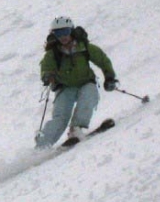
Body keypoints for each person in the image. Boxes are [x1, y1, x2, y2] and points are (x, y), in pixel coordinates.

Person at [36, 16, 118, 148]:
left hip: (86, 82)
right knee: (60, 117)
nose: (63, 36)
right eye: (58, 33)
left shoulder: (84, 47)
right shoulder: (53, 53)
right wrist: (47, 76)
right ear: (54, 35)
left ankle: (76, 130)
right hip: (65, 87)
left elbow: (102, 60)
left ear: (72, 31)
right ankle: (42, 145)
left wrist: (109, 77)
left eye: (65, 32)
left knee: (88, 98)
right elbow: (46, 67)